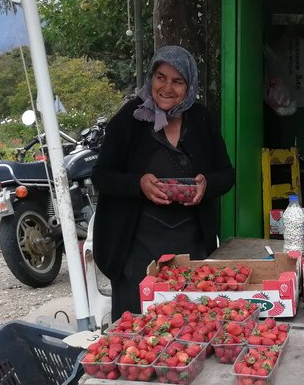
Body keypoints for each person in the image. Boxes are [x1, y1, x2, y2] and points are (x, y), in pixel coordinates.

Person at [92, 45, 234, 314]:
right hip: (136, 246)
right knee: (137, 331)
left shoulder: (201, 120)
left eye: (177, 81)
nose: (167, 88)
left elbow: (227, 175)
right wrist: (138, 184)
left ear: (189, 86)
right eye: (161, 77)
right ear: (151, 77)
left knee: (192, 323)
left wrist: (207, 185)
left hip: (191, 244)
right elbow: (101, 176)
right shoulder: (129, 119)